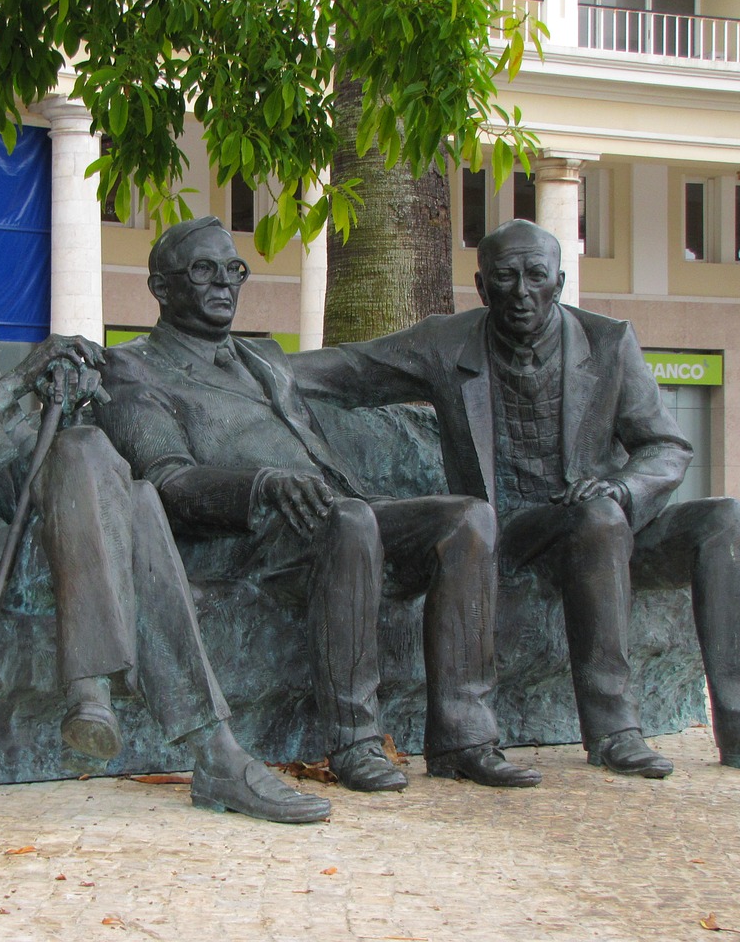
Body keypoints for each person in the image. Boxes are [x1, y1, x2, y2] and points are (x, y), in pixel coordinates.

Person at [0, 198, 332, 822]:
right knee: (125, 500)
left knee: (111, 474)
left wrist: (60, 405)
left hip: (5, 553)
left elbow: (32, 476)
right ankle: (185, 737)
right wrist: (15, 388)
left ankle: (104, 699)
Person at [291, 218, 740, 781]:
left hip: (608, 525)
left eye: (535, 277)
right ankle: (616, 730)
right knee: (594, 519)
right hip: (510, 532)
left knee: (728, 519)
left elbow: (666, 446)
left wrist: (622, 486)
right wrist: (227, 363)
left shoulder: (610, 342)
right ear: (482, 285)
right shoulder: (446, 343)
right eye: (506, 278)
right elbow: (348, 370)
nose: (521, 293)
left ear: (560, 281)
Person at [93, 216, 542, 791]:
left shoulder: (263, 359)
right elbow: (168, 478)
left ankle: (464, 738)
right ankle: (354, 742)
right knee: (349, 519)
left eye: (234, 271)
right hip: (241, 534)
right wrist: (261, 485)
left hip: (333, 509)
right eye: (202, 271)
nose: (223, 285)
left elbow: (367, 372)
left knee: (467, 519)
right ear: (161, 287)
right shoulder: (131, 366)